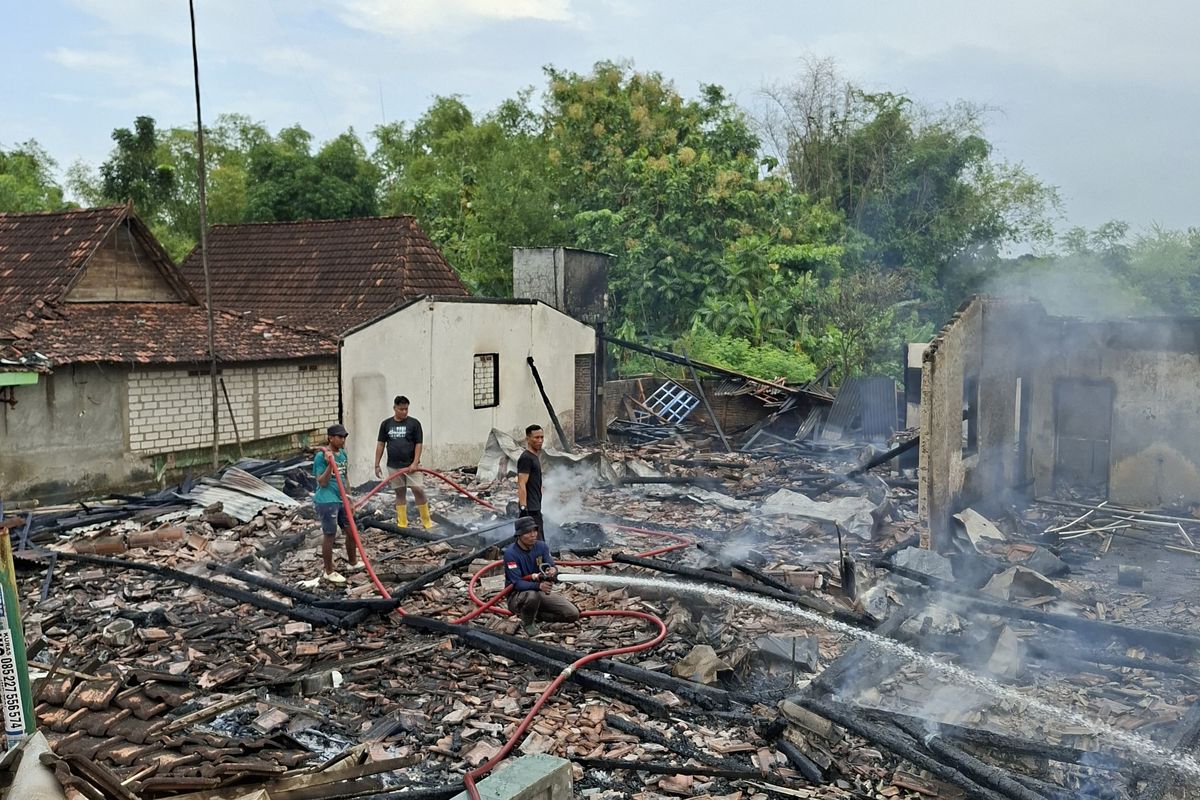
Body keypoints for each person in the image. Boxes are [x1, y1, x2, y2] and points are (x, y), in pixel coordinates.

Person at [503, 516, 579, 635]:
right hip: (518, 596)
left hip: (539, 592)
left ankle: (537, 616)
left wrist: (553, 570)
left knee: (572, 613)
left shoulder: (541, 546)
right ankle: (528, 623)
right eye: (528, 532)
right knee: (532, 595)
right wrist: (539, 586)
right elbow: (517, 583)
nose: (533, 535)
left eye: (534, 530)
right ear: (519, 535)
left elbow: (551, 564)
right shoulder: (511, 554)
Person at [374, 396, 433, 529]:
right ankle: (402, 523)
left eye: (406, 409)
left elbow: (419, 444)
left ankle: (427, 522)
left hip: (412, 466)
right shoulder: (386, 424)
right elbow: (381, 444)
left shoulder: (414, 424)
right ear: (394, 408)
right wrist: (377, 464)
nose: (404, 412)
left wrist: (415, 463)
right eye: (401, 409)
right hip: (394, 466)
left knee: (418, 490)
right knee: (400, 493)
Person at [312, 423, 361, 584]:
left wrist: (350, 498)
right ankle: (329, 571)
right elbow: (322, 482)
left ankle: (352, 563)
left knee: (351, 531)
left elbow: (345, 478)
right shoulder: (321, 457)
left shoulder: (343, 455)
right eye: (339, 437)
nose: (342, 440)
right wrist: (329, 465)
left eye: (344, 437)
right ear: (330, 438)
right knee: (330, 535)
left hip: (341, 499)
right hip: (326, 500)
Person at [516, 424, 545, 540]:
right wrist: (523, 508)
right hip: (530, 509)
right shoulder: (526, 458)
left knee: (537, 541)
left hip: (535, 506)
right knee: (535, 542)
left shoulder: (534, 457)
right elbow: (521, 483)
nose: (540, 440)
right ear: (528, 439)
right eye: (536, 437)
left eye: (542, 437)